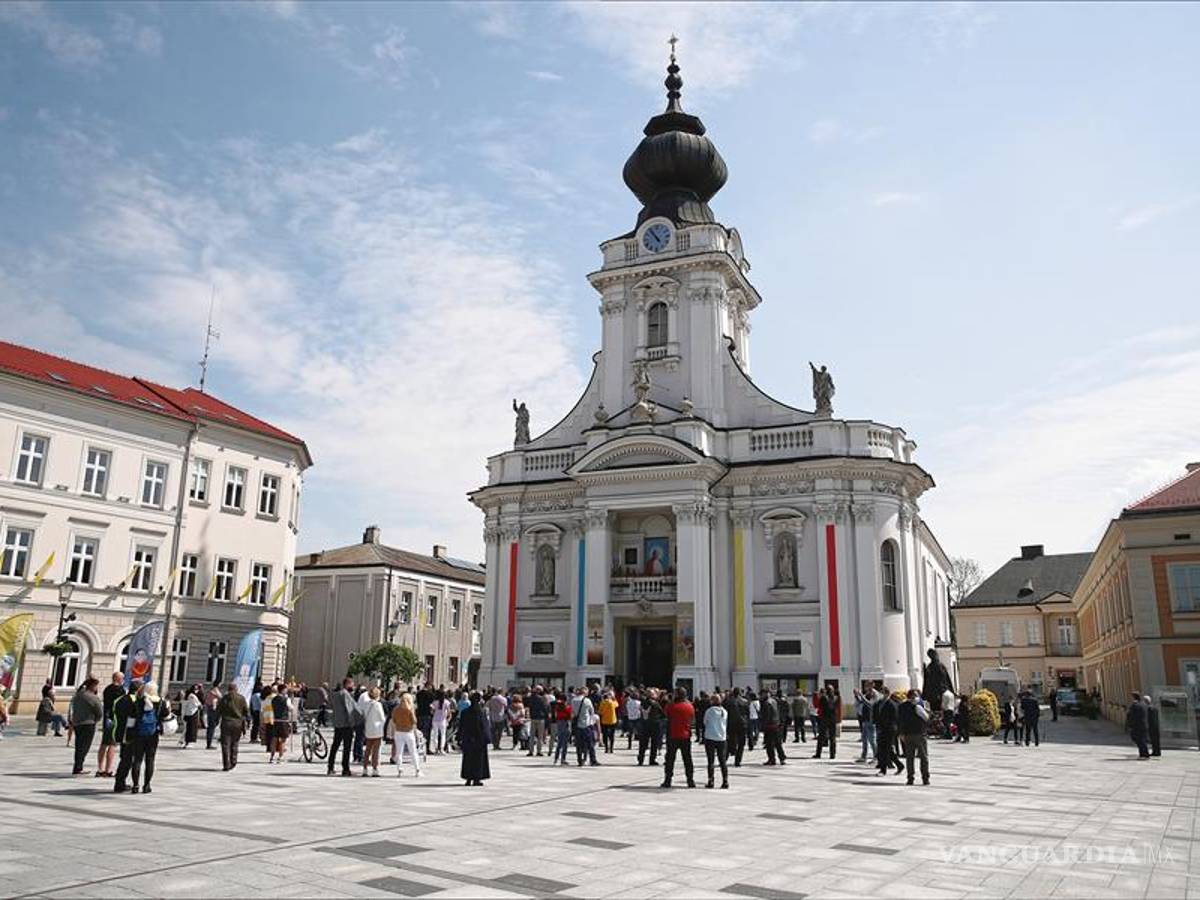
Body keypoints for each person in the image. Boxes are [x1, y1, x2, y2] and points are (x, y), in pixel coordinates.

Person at [129, 681, 170, 794]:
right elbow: (166, 714)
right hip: (153, 734)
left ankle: (135, 785)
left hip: (139, 732)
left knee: (137, 760)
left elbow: (132, 716)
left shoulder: (139, 701)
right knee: (150, 760)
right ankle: (147, 785)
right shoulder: (160, 702)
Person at [661, 688, 696, 789]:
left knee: (670, 759)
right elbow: (692, 720)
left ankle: (668, 780)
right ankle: (690, 780)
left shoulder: (671, 706)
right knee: (687, 759)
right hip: (685, 735)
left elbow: (666, 713)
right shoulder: (690, 706)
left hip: (673, 735)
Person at [69, 677, 102, 775]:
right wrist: (96, 719)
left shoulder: (78, 695)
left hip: (77, 723)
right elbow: (99, 711)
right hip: (88, 723)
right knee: (85, 746)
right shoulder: (92, 697)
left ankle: (77, 766)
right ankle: (79, 767)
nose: (97, 688)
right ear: (92, 686)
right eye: (96, 686)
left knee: (79, 745)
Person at [897, 689, 930, 786]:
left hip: (907, 735)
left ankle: (910, 778)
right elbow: (926, 718)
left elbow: (900, 720)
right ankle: (925, 778)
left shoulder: (901, 707)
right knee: (923, 757)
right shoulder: (917, 707)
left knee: (909, 758)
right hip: (919, 734)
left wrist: (901, 733)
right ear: (914, 696)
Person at [458, 691, 491, 786]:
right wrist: (487, 738)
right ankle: (476, 778)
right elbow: (485, 726)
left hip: (468, 738)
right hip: (479, 739)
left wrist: (459, 737)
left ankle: (468, 778)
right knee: (478, 760)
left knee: (468, 759)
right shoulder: (481, 712)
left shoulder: (465, 712)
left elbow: (462, 726)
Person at [97, 672, 125, 776]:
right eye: (122, 678)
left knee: (104, 744)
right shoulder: (120, 690)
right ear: (118, 679)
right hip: (115, 719)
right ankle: (108, 770)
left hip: (106, 718)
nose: (123, 680)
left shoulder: (107, 689)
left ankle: (100, 768)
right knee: (112, 745)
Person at [216, 681, 249, 771]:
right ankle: (233, 761)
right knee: (235, 743)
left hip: (226, 722)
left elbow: (218, 711)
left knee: (225, 744)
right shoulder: (241, 698)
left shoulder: (224, 698)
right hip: (237, 723)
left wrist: (216, 721)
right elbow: (246, 711)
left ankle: (226, 764)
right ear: (236, 689)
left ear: (228, 689)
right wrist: (247, 721)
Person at [327, 678, 356, 776]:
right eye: (352, 684)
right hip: (346, 724)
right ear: (347, 684)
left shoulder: (335, 695)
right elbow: (349, 710)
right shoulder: (345, 694)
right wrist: (353, 723)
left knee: (335, 745)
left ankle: (330, 767)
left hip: (337, 723)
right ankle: (345, 768)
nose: (353, 686)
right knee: (346, 747)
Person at [873, 689, 904, 777]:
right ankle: (899, 765)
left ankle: (883, 770)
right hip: (881, 728)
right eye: (881, 693)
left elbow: (894, 719)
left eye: (883, 693)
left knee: (885, 750)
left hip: (889, 730)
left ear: (887, 694)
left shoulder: (892, 704)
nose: (882, 695)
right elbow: (876, 714)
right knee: (886, 749)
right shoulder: (879, 703)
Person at [392, 692, 423, 777]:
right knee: (413, 752)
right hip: (408, 732)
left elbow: (393, 720)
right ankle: (417, 770)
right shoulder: (410, 709)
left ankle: (400, 770)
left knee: (399, 752)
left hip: (398, 731)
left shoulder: (396, 709)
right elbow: (414, 721)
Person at [703, 691, 729, 789]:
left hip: (710, 737)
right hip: (722, 737)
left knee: (711, 760)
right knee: (722, 760)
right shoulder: (724, 711)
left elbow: (705, 722)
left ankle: (711, 780)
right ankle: (725, 780)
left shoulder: (709, 711)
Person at [359, 687, 385, 777]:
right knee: (376, 750)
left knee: (368, 749)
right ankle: (375, 769)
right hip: (377, 729)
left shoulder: (366, 704)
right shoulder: (378, 704)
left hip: (368, 728)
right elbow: (382, 718)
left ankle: (365, 769)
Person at [572, 687, 599, 766]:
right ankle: (593, 760)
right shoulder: (587, 700)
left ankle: (580, 760)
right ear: (584, 693)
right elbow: (592, 712)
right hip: (586, 724)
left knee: (579, 744)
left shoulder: (573, 700)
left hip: (577, 725)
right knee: (590, 744)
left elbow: (573, 712)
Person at [760, 690, 787, 765]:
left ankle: (772, 759)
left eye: (762, 694)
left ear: (765, 694)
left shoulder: (766, 703)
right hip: (776, 724)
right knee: (778, 743)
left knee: (769, 744)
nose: (761, 696)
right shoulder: (774, 701)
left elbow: (767, 715)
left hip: (769, 725)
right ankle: (782, 758)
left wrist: (763, 725)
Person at [724, 688, 749, 767]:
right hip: (742, 724)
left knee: (729, 742)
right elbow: (747, 713)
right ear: (740, 693)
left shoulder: (728, 701)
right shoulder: (745, 701)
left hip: (731, 724)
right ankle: (738, 761)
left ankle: (724, 759)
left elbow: (725, 713)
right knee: (741, 744)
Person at [813, 687, 837, 760]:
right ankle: (832, 754)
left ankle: (818, 753)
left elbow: (818, 706)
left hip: (824, 719)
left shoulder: (823, 698)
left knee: (821, 736)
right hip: (833, 719)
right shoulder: (836, 698)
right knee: (832, 737)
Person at [855, 687, 877, 762]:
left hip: (871, 721)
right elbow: (861, 701)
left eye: (869, 691)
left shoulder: (874, 699)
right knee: (864, 739)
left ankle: (876, 756)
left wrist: (861, 695)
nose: (867, 693)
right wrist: (856, 695)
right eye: (867, 691)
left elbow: (869, 704)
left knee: (872, 740)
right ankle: (864, 756)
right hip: (864, 720)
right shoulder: (866, 697)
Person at [1125, 693, 1150, 759]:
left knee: (1139, 740)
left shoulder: (1135, 705)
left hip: (1137, 725)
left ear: (1134, 698)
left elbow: (1131, 715)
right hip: (1144, 724)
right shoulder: (1144, 704)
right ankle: (1145, 754)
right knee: (1142, 739)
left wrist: (1130, 724)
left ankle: (1143, 754)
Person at [526, 686, 549, 757]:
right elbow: (545, 708)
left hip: (533, 718)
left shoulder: (531, 699)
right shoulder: (542, 699)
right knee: (540, 736)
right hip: (541, 718)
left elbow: (529, 707)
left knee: (532, 735)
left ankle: (531, 750)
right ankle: (539, 751)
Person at [430, 689, 452, 755]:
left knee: (435, 735)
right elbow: (449, 712)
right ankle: (442, 749)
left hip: (435, 720)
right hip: (443, 720)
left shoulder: (434, 702)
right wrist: (448, 718)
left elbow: (431, 712)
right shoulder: (446, 702)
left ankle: (436, 749)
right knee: (443, 735)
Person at [181, 684, 202, 749]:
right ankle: (189, 742)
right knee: (192, 729)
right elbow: (198, 704)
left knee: (189, 729)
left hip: (189, 713)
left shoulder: (189, 695)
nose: (197, 690)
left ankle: (186, 742)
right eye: (196, 689)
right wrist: (200, 706)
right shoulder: (192, 696)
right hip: (192, 713)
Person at [203, 681, 221, 750]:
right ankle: (209, 744)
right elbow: (220, 698)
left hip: (211, 710)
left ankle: (209, 743)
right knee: (211, 727)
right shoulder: (214, 691)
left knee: (211, 727)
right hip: (213, 710)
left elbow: (206, 701)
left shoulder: (210, 692)